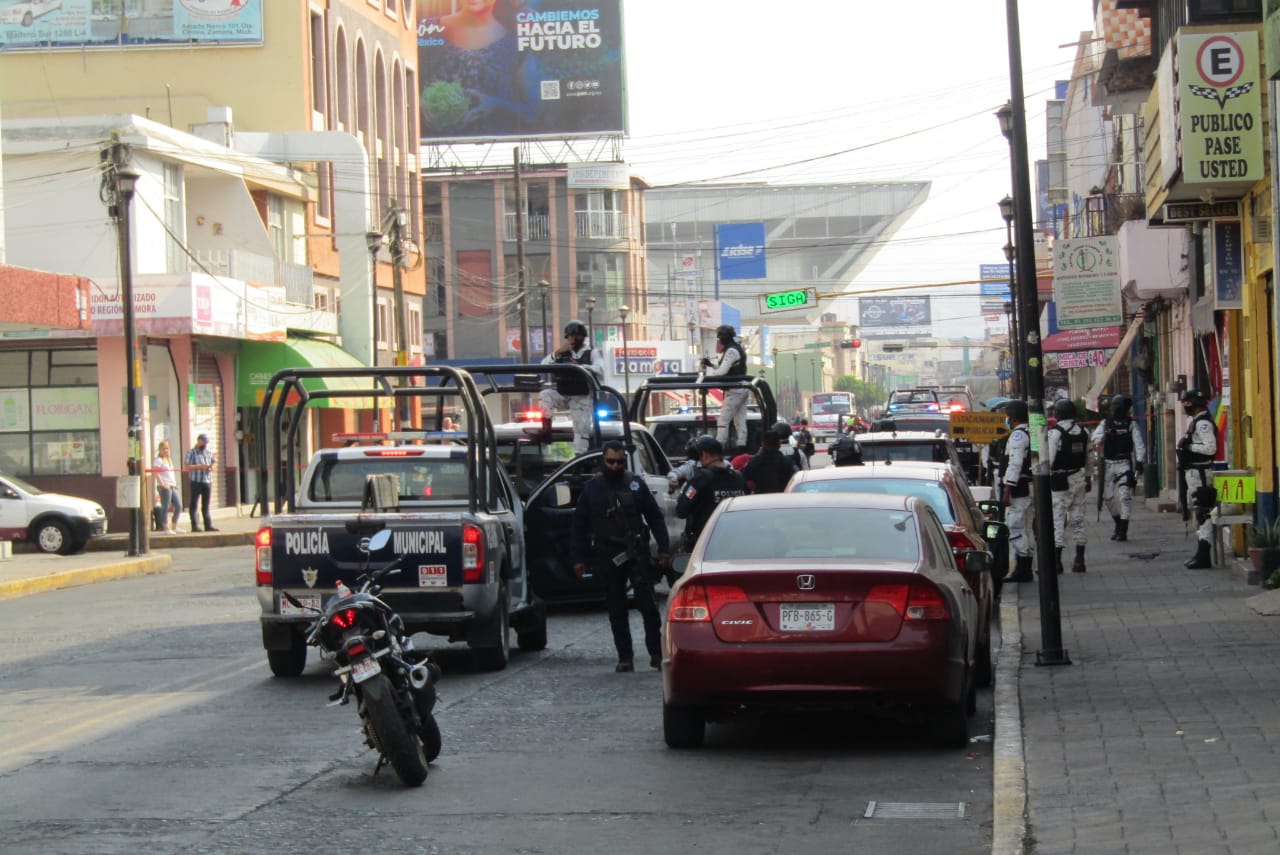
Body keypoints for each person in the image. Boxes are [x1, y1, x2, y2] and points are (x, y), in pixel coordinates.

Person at [570, 441, 672, 673]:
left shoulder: (636, 484)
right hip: (608, 552)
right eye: (611, 461)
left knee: (647, 605)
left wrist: (664, 549)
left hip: (636, 550)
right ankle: (625, 656)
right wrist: (578, 558)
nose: (615, 466)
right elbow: (578, 526)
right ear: (603, 461)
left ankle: (656, 653)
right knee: (616, 606)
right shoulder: (592, 489)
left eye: (619, 462)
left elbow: (654, 517)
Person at [540, 320, 604, 454]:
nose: (573, 339)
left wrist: (579, 366)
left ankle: (579, 456)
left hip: (581, 397)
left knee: (581, 428)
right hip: (563, 393)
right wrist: (557, 352)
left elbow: (600, 369)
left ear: (583, 337)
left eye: (577, 336)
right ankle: (546, 430)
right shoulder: (562, 352)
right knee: (545, 394)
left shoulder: (592, 352)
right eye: (570, 336)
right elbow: (543, 365)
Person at [676, 436, 747, 552]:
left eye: (699, 458)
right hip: (737, 542)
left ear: (705, 455)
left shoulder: (701, 478)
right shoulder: (738, 477)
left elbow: (681, 510)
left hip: (707, 544)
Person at [1091, 394, 1146, 542]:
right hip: (1108, 464)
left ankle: (1123, 530)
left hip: (1123, 463)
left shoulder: (1131, 424)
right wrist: (1105, 436)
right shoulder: (1106, 423)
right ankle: (1118, 522)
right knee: (1107, 497)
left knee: (1125, 496)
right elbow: (1094, 438)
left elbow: (1139, 445)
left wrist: (1139, 462)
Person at [1046, 399, 1090, 574]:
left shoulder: (1054, 434)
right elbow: (1089, 458)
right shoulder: (1084, 432)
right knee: (1078, 518)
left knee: (1058, 519)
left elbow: (1048, 460)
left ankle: (1057, 562)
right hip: (1078, 478)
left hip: (1060, 481)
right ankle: (1079, 560)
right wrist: (1088, 478)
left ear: (1058, 414)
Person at [1178, 388, 1218, 569]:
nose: (1185, 406)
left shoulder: (1202, 423)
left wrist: (1190, 447)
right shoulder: (1196, 421)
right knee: (1199, 513)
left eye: (1187, 402)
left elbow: (1210, 448)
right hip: (1193, 473)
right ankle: (1201, 553)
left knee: (1203, 513)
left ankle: (1204, 555)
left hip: (1200, 473)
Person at [1000, 401, 1034, 582]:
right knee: (1026, 528)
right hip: (1029, 486)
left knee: (1014, 526)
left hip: (1019, 488)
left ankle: (1023, 568)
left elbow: (1015, 464)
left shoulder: (1018, 436)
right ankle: (1026, 566)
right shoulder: (1031, 432)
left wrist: (1007, 489)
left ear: (1012, 417)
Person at [701, 325, 749, 452]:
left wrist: (708, 377)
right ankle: (741, 445)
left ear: (726, 337)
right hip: (741, 387)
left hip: (734, 389)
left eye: (720, 336)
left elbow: (722, 371)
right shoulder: (736, 348)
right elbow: (726, 369)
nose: (718, 339)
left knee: (723, 419)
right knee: (739, 419)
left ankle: (719, 445)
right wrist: (711, 365)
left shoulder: (731, 351)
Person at [741, 428, 796, 494]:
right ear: (779, 444)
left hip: (760, 499)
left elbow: (744, 479)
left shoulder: (755, 462)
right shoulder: (786, 462)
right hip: (781, 499)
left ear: (763, 444)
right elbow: (793, 481)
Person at [184, 433, 218, 533]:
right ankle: (195, 525)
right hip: (196, 481)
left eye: (206, 443)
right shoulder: (192, 452)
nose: (205, 445)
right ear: (199, 441)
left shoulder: (208, 453)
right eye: (203, 442)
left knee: (206, 505)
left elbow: (214, 463)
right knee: (194, 504)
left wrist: (211, 467)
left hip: (207, 481)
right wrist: (199, 466)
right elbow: (187, 466)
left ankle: (208, 525)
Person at [153, 440, 182, 534]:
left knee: (178, 505)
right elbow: (155, 472)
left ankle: (174, 525)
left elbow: (170, 474)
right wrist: (163, 484)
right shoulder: (158, 460)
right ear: (160, 450)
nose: (166, 451)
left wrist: (175, 484)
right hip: (165, 486)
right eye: (164, 449)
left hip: (172, 485)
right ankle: (165, 527)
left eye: (167, 448)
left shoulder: (169, 460)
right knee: (165, 506)